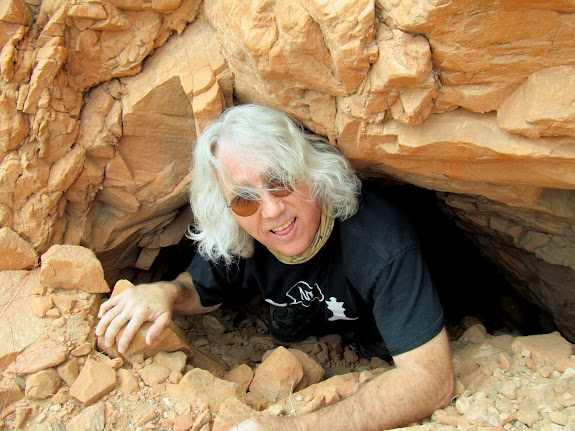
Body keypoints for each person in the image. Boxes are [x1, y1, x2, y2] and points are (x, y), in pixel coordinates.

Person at [96, 104, 454, 431]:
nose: (271, 211)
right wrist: (165, 292)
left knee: (376, 348)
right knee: (287, 331)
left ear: (312, 171)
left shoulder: (381, 240)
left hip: (378, 312)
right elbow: (199, 289)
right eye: (244, 199)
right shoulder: (240, 230)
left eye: (280, 181)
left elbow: (431, 381)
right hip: (306, 307)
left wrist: (297, 428)